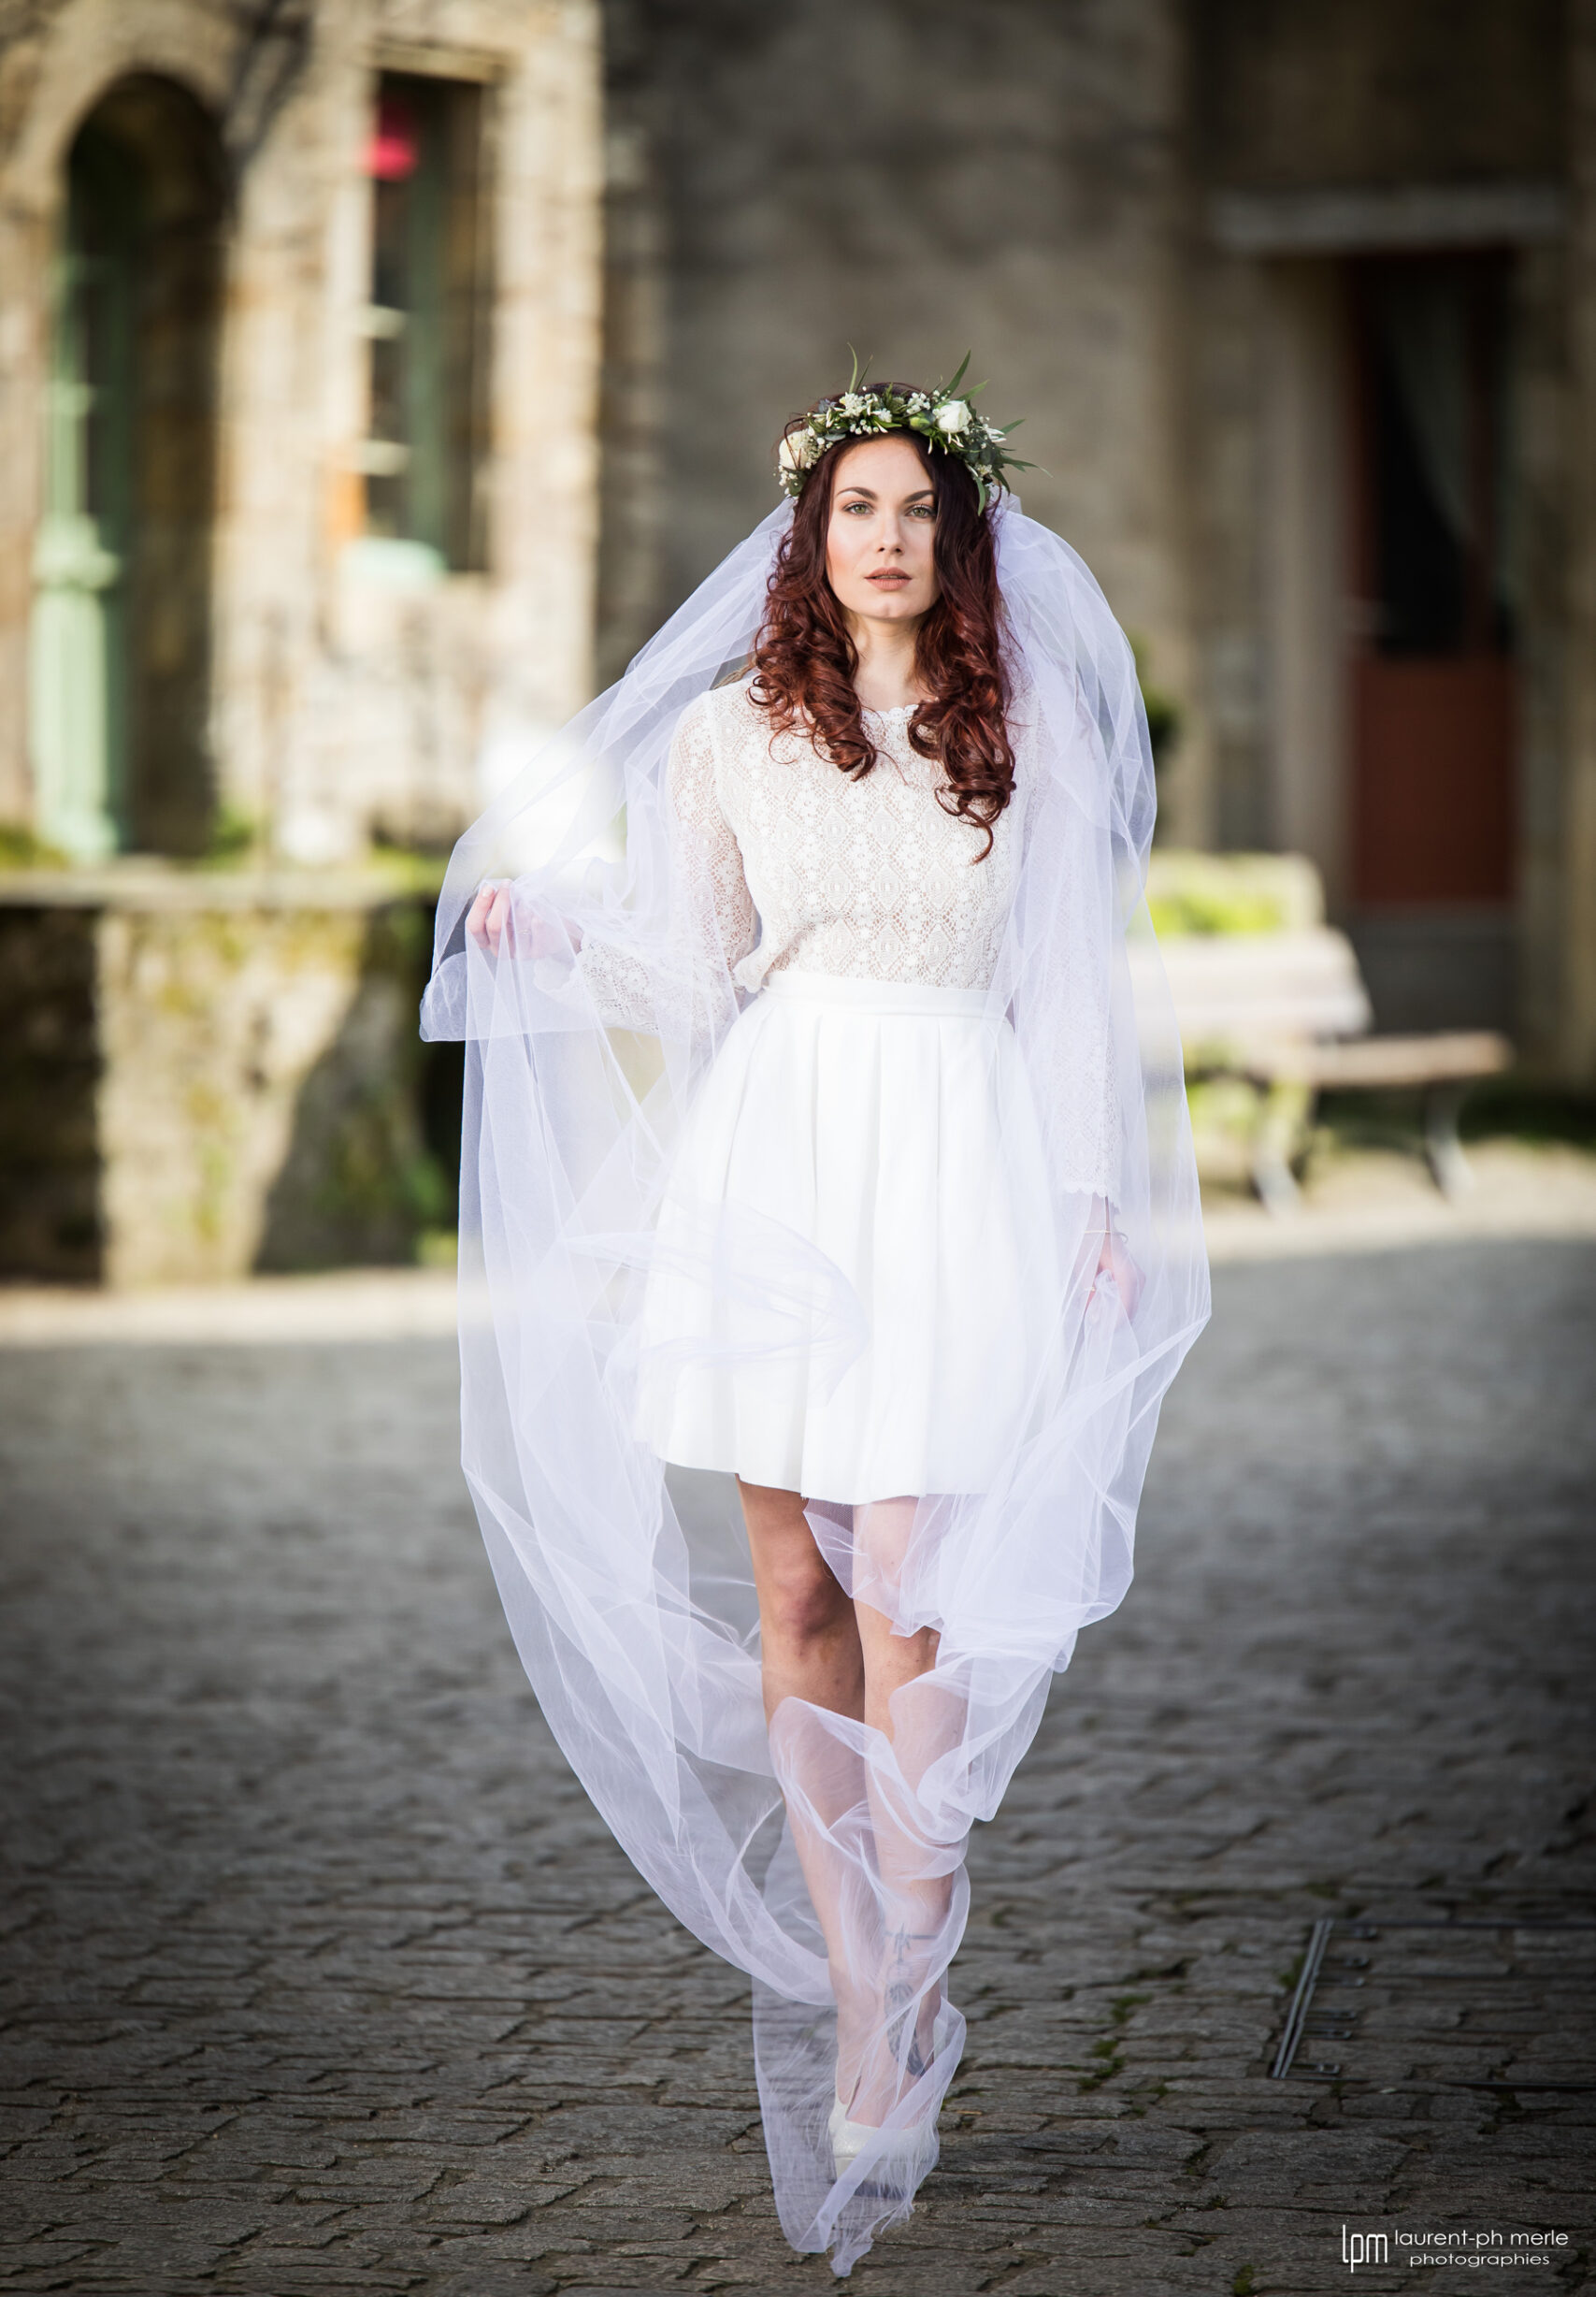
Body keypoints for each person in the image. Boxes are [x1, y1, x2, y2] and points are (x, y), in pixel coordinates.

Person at [424, 368, 1208, 2275]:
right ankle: (867, 1997)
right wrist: (555, 932)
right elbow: (692, 961)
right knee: (793, 1588)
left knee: (913, 1569)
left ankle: (914, 1949)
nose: (883, 536)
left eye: (913, 511)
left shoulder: (1011, 729)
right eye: (855, 506)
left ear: (954, 542)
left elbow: (1068, 989)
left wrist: (1088, 1191)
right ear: (811, 532)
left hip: (949, 1150)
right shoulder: (725, 735)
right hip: (775, 1154)